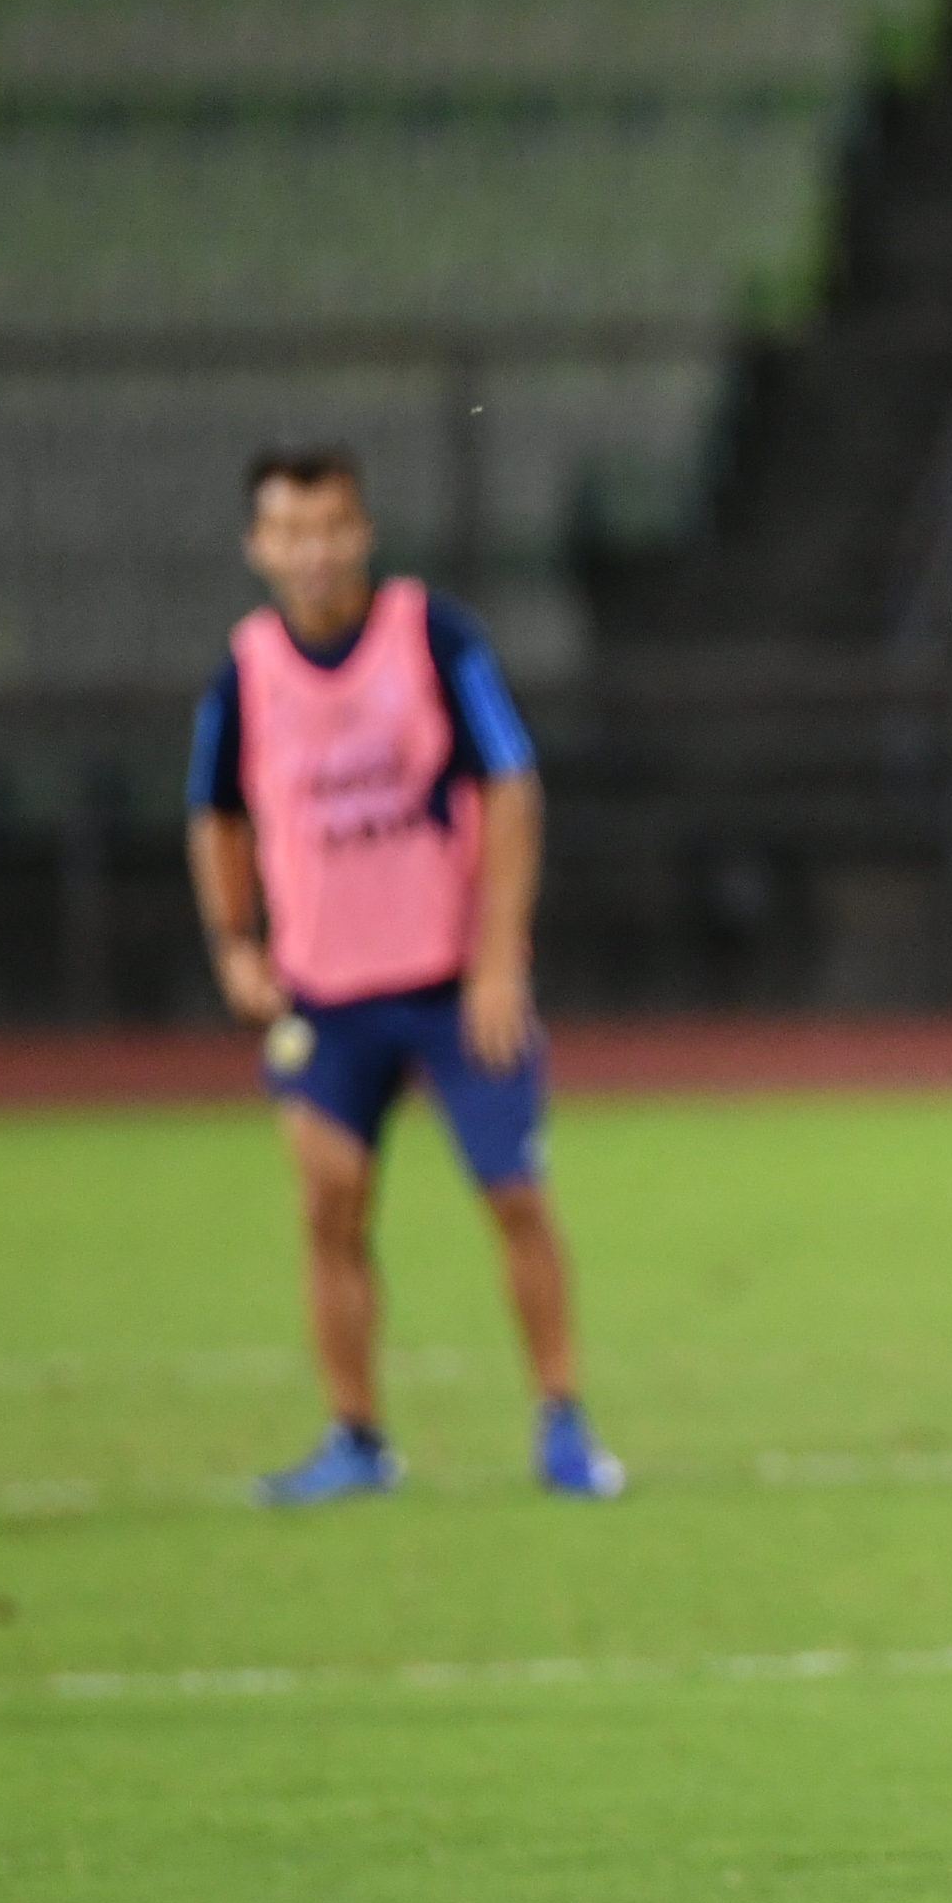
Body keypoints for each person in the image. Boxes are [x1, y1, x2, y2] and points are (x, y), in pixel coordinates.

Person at [184, 446, 624, 1505]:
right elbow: (216, 815)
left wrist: (496, 960)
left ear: (365, 531)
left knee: (514, 1194)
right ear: (258, 546)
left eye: (332, 526)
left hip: (450, 986)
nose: (316, 551)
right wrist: (235, 943)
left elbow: (511, 787)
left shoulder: (430, 637)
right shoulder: (245, 673)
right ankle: (356, 1437)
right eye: (291, 531)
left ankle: (563, 1422)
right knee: (329, 1205)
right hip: (326, 999)